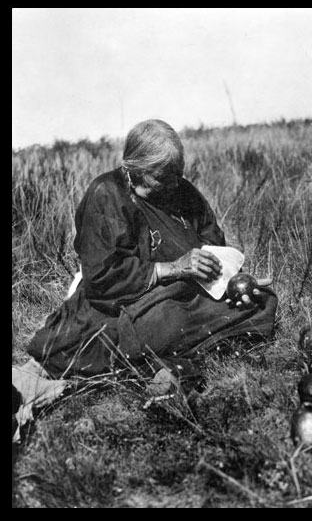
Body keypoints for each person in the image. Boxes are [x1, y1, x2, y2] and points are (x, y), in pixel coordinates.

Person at [13, 119, 278, 425]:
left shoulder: (182, 191)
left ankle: (162, 361)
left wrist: (234, 282)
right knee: (163, 321)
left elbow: (213, 243)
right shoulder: (107, 194)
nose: (173, 184)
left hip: (188, 295)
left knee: (263, 300)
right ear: (134, 168)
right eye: (161, 177)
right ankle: (161, 363)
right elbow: (101, 278)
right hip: (123, 303)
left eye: (177, 174)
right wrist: (172, 268)